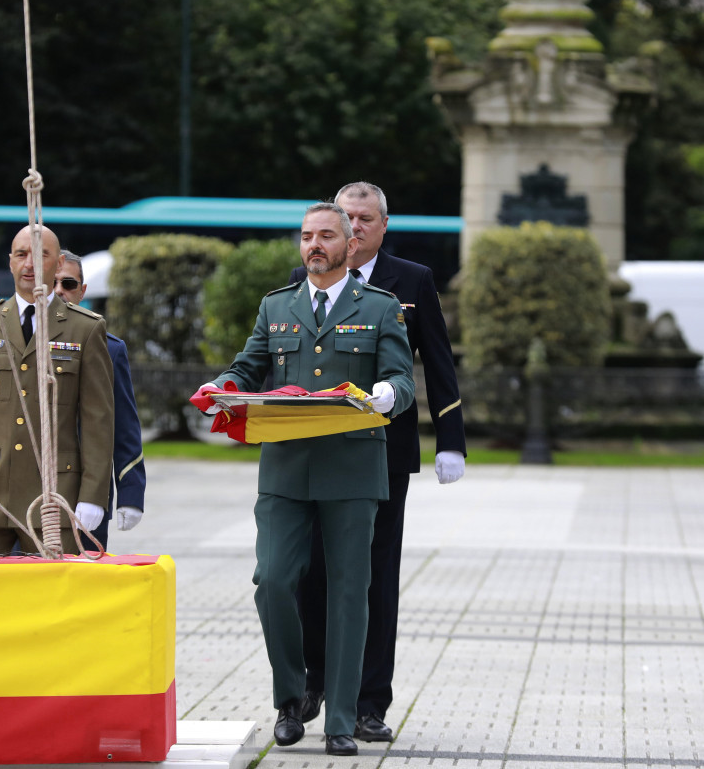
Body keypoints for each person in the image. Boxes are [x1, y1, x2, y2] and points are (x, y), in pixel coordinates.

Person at [192, 202, 415, 757]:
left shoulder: (382, 308)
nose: (314, 245)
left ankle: (340, 718)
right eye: (306, 236)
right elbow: (249, 366)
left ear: (351, 244)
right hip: (287, 471)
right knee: (272, 581)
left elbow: (401, 378)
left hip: (352, 469)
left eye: (326, 236)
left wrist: (385, 397)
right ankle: (290, 698)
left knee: (347, 594)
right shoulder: (278, 305)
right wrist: (224, 383)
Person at [291, 182, 467, 742]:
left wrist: (451, 439)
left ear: (381, 226)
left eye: (364, 218)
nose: (355, 226)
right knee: (312, 574)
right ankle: (315, 682)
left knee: (373, 579)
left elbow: (437, 362)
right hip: (318, 455)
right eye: (345, 217)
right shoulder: (307, 279)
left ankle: (369, 703)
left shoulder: (410, 281)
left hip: (384, 456)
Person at [0, 225, 115, 556]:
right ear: (10, 262)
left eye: (41, 255)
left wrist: (93, 495)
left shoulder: (85, 328)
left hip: (55, 498)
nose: (29, 264)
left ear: (57, 264)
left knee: (51, 602)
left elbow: (98, 421)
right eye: (21, 254)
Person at [53, 250, 146, 550]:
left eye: (68, 284)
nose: (59, 291)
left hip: (85, 493)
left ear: (82, 291)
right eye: (52, 282)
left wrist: (130, 493)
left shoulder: (110, 348)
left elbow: (123, 424)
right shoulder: (14, 340)